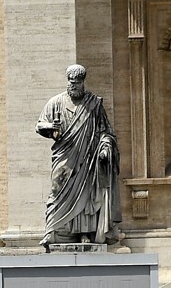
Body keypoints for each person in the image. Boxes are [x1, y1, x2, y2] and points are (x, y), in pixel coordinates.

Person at [35, 64, 121, 250]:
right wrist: (51, 128)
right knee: (57, 189)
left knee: (85, 193)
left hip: (88, 158)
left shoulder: (94, 104)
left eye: (78, 83)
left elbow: (106, 131)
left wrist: (105, 148)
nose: (74, 86)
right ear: (68, 82)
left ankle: (83, 233)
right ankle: (52, 230)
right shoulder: (56, 102)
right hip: (64, 156)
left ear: (83, 83)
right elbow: (40, 125)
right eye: (71, 83)